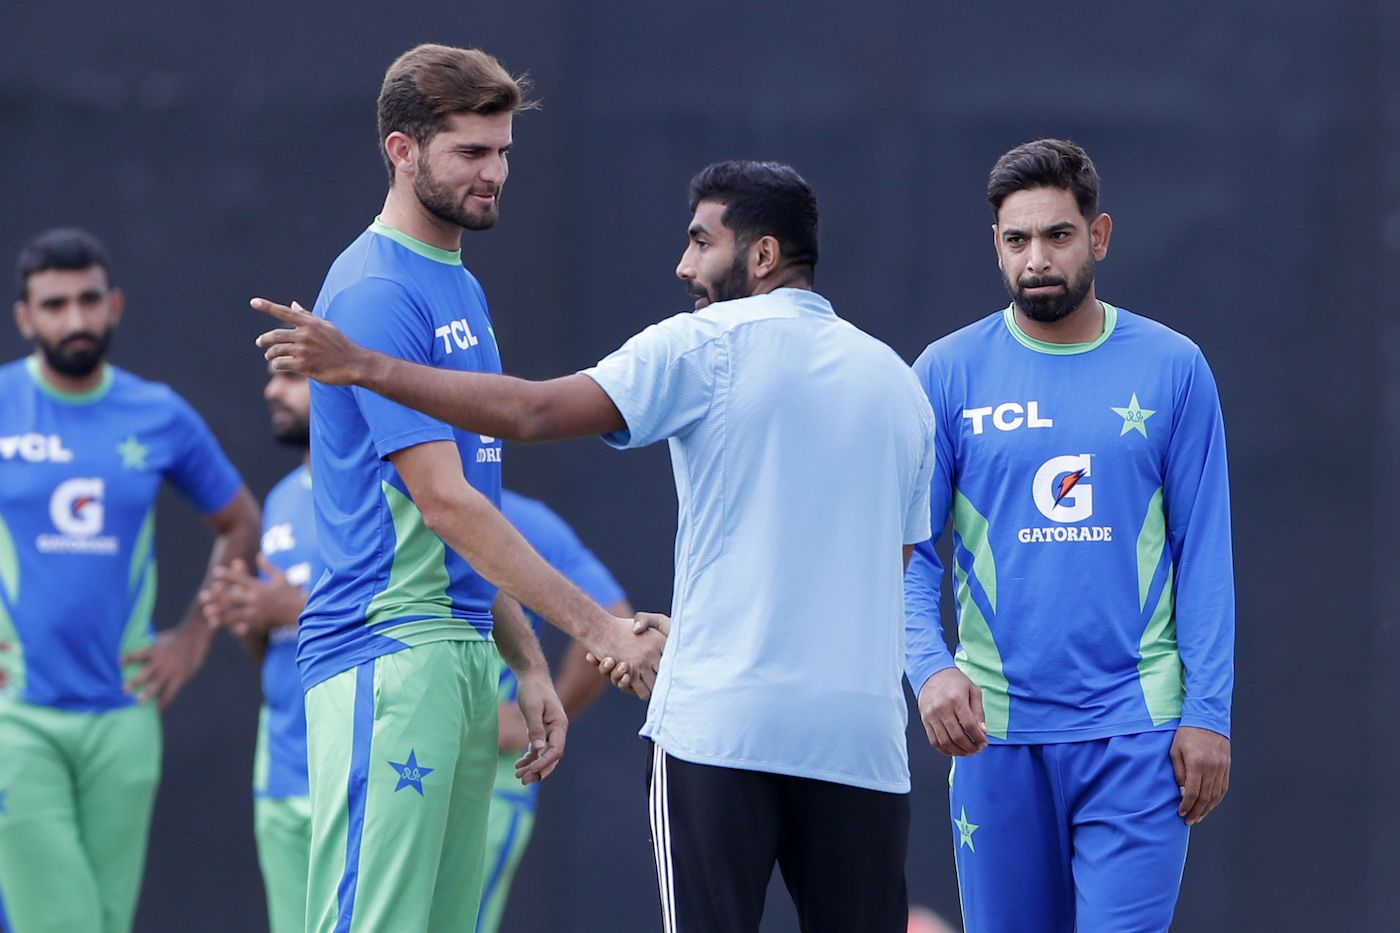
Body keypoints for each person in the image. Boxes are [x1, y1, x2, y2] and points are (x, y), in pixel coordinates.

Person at [253, 158, 938, 933]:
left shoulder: (703, 343)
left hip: (721, 723)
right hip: (862, 737)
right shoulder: (900, 385)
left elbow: (534, 412)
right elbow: (898, 569)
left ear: (763, 256)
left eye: (700, 242)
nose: (684, 265)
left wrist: (366, 366)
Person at [279, 43, 660, 933]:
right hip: (387, 654)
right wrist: (600, 631)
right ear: (402, 151)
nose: (495, 174)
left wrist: (528, 665)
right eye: (471, 152)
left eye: (504, 154)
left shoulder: (458, 285)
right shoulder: (375, 289)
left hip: (456, 652)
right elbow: (445, 502)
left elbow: (459, 518)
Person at [903, 138, 1234, 932]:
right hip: (997, 741)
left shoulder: (1173, 367)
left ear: (1101, 235)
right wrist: (930, 668)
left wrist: (1209, 714)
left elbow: (1205, 555)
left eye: (1058, 235)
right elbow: (910, 552)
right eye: (1017, 240)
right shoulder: (946, 374)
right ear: (996, 247)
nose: (1037, 258)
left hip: (1138, 733)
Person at [0, 228, 260, 932]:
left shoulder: (158, 414)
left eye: (89, 300)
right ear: (25, 317)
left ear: (115, 305)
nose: (75, 319)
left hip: (124, 714)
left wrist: (193, 639)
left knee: (105, 920)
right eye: (54, 305)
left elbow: (241, 522)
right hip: (18, 715)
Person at [199, 366, 321, 933]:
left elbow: (412, 615)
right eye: (271, 377)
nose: (271, 390)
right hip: (281, 770)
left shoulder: (389, 489)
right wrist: (247, 617)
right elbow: (276, 648)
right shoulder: (280, 499)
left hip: (360, 769)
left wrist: (295, 608)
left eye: (293, 376)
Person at [478, 490, 632, 933]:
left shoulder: (521, 519)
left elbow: (614, 619)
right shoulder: (387, 499)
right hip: (380, 763)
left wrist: (541, 714)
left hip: (488, 780)